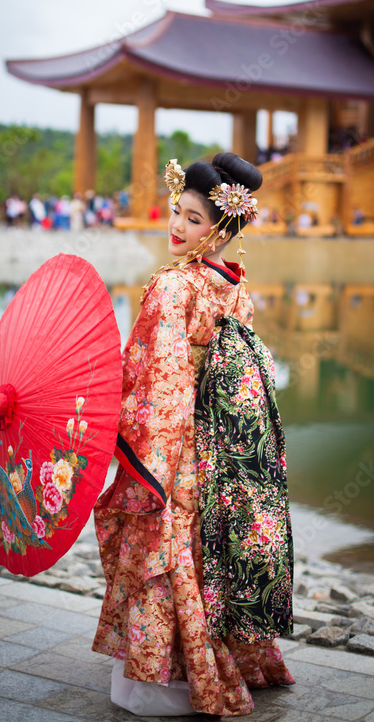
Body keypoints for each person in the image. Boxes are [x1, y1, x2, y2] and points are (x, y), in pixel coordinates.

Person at [93, 152, 294, 717]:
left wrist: (127, 428)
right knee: (206, 553)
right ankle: (216, 662)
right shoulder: (234, 283)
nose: (177, 226)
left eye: (193, 219)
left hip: (175, 441)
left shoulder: (175, 286)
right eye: (176, 212)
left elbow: (158, 375)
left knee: (168, 546)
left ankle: (165, 678)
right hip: (218, 445)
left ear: (222, 227)